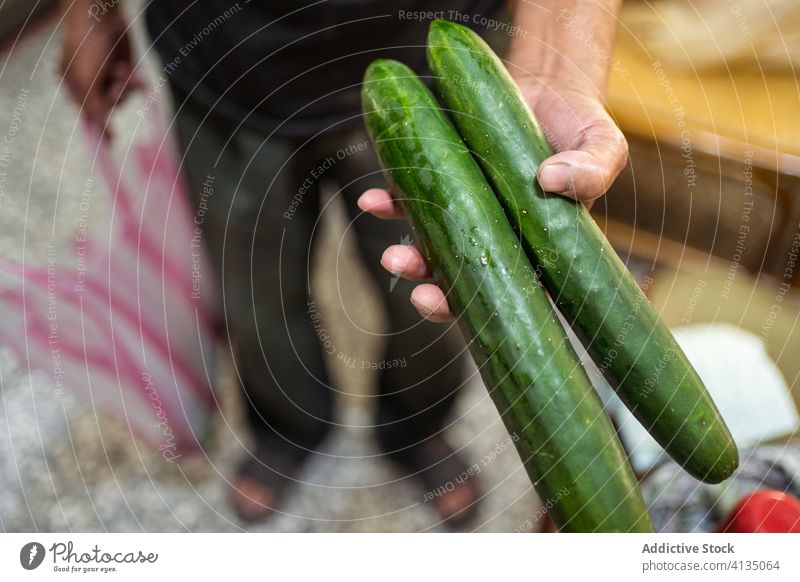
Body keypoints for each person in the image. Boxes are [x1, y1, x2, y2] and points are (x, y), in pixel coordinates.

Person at [59, 0, 627, 525]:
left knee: (440, 300)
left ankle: (420, 428)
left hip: (427, 57)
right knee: (254, 290)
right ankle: (287, 429)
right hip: (226, 67)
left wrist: (561, 63)